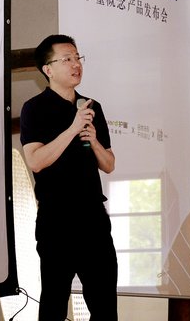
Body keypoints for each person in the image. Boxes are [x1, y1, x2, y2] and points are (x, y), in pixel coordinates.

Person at [19, 34, 118, 320]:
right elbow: (36, 161)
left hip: (93, 217)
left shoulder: (92, 107)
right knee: (54, 302)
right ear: (48, 69)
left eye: (77, 58)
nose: (76, 64)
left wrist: (94, 141)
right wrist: (73, 128)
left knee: (105, 305)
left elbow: (109, 164)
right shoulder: (34, 108)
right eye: (67, 59)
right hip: (56, 219)